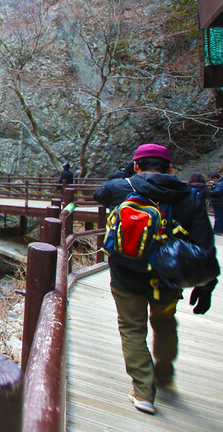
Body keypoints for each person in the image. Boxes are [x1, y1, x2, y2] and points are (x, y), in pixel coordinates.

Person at [93, 143, 217, 415]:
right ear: (171, 168)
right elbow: (205, 247)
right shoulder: (190, 196)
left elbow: (99, 193)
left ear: (136, 166)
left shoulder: (123, 188)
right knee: (164, 322)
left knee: (132, 329)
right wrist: (207, 285)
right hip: (168, 279)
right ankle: (163, 373)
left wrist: (129, 173)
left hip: (126, 274)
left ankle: (143, 392)